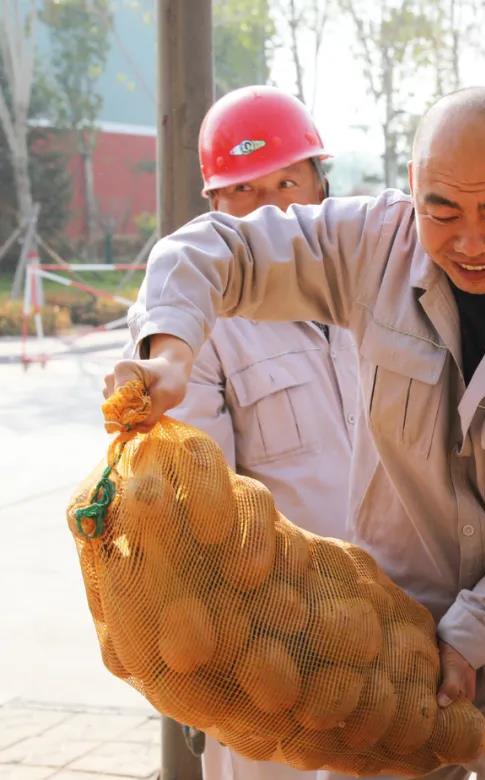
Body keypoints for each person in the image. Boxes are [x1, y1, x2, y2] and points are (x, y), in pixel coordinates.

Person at [106, 86, 485, 779]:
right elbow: (213, 249)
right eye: (442, 209)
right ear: (411, 190)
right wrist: (170, 351)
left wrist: (469, 636)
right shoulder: (373, 247)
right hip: (391, 640)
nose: (469, 240)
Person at [166, 85, 359, 780]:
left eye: (287, 181)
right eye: (244, 190)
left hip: (397, 641)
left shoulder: (377, 292)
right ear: (214, 207)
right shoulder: (199, 324)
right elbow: (206, 507)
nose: (272, 207)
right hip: (273, 653)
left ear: (321, 185)